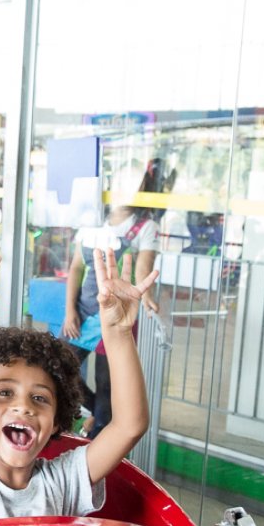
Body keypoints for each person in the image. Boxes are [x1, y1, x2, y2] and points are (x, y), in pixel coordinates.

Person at [0, 221, 156, 526]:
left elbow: (129, 426)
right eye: (4, 393)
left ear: (55, 421)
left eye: (40, 398)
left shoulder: (63, 481)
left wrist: (118, 333)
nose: (24, 406)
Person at [62, 159, 170, 437]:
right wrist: (69, 311)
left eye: (133, 183)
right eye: (121, 181)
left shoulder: (145, 228)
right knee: (60, 368)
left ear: (142, 187)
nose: (125, 188)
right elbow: (75, 267)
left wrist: (147, 297)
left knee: (107, 383)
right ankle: (93, 416)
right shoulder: (91, 221)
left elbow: (144, 268)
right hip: (85, 312)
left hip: (115, 314)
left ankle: (98, 436)